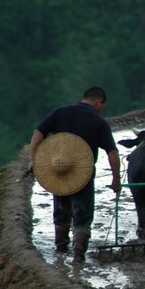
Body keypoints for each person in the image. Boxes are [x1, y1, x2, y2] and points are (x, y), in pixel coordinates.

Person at [28, 86, 122, 263]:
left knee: (61, 211)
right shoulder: (98, 121)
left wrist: (33, 159)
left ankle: (60, 251)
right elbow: (112, 153)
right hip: (83, 175)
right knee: (82, 216)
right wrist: (116, 179)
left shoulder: (60, 112)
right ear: (98, 102)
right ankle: (78, 257)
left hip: (58, 170)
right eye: (102, 106)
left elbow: (38, 132)